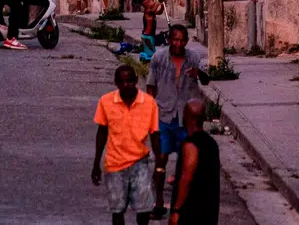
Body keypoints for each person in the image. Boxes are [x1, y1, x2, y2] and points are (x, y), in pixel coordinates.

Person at [146, 24, 209, 217]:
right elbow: (151, 86)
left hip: (186, 119)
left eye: (182, 40)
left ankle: (183, 204)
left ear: (186, 42)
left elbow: (206, 80)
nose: (178, 43)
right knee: (161, 159)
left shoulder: (194, 59)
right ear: (169, 39)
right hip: (164, 115)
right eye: (175, 39)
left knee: (187, 161)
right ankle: (158, 203)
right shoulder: (159, 58)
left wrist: (199, 74)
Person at [92, 63, 161, 225]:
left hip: (141, 163)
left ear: (136, 81)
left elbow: (155, 135)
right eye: (121, 82)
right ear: (116, 83)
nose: (126, 85)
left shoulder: (149, 103)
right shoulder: (106, 101)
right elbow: (102, 132)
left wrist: (159, 166)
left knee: (144, 210)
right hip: (115, 165)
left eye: (129, 81)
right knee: (118, 210)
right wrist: (96, 164)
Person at [168, 99, 220, 225]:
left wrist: (176, 210)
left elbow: (187, 178)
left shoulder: (190, 144)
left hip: (191, 213)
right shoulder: (211, 143)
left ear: (186, 116)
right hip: (208, 212)